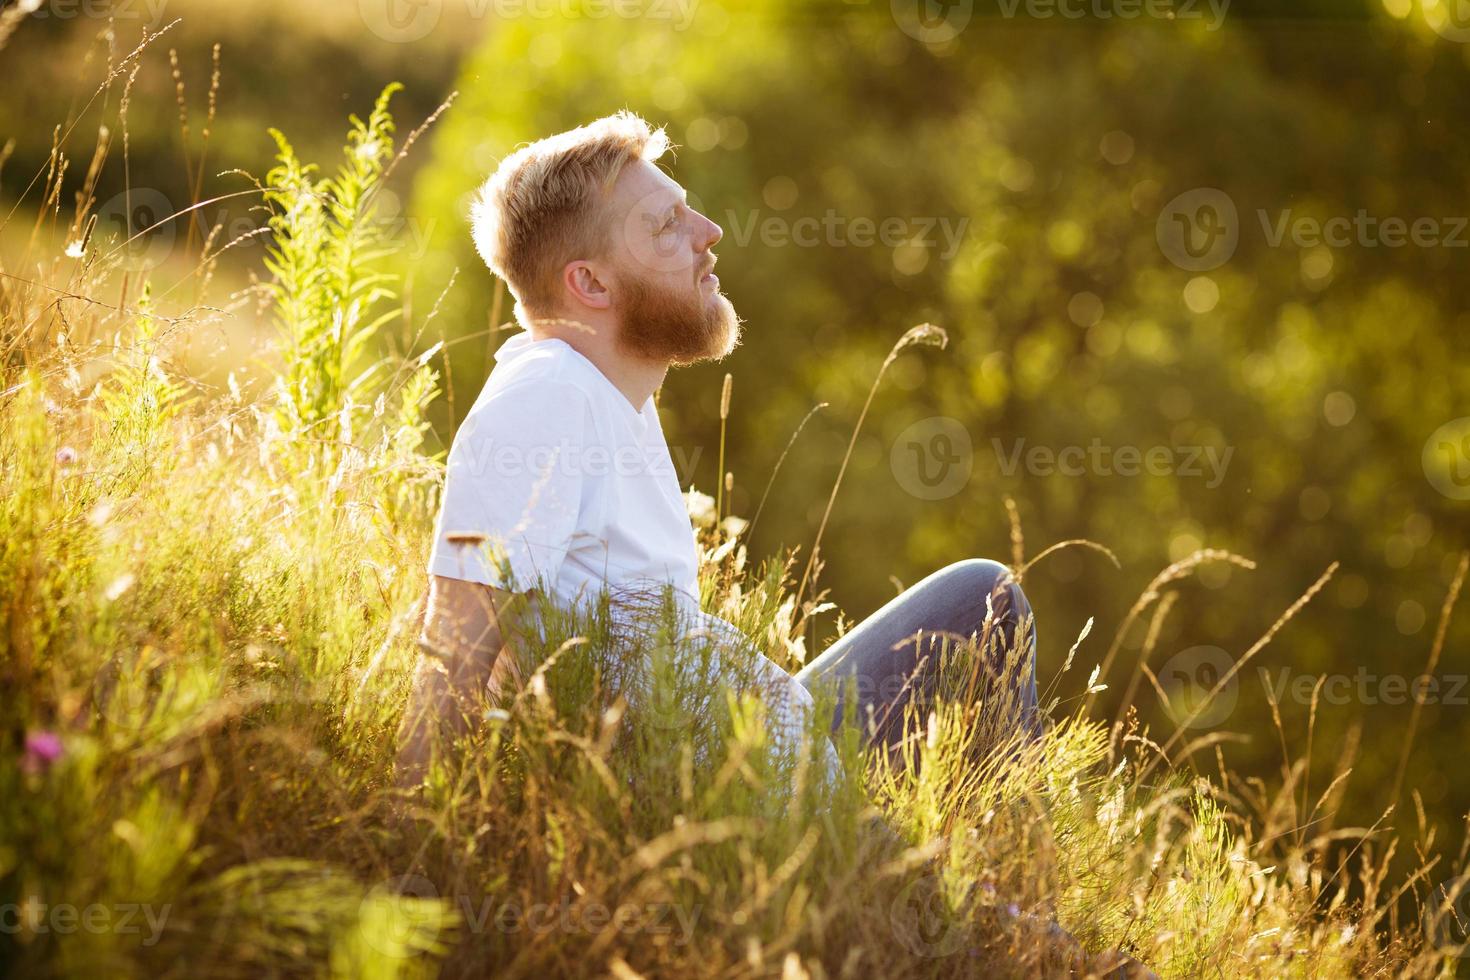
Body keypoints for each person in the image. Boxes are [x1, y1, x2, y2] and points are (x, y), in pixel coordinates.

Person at [394, 110, 1040, 793]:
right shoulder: (545, 397)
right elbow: (450, 666)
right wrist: (416, 872)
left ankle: (993, 886)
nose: (710, 235)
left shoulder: (613, 399)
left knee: (981, 604)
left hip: (764, 752)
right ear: (592, 284)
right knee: (986, 598)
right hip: (739, 807)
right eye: (667, 226)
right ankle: (987, 896)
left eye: (688, 214)